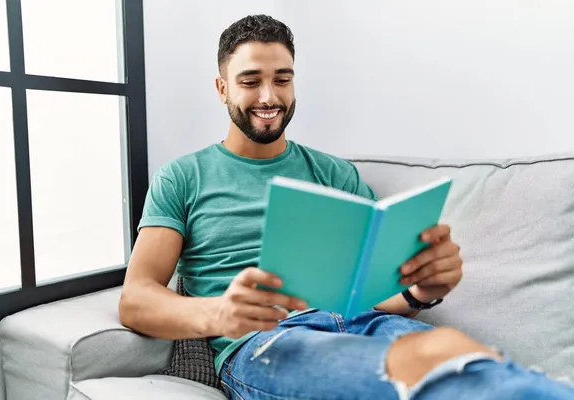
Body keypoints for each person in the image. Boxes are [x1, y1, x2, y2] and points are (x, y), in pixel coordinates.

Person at [119, 14, 574, 400]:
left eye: (282, 79)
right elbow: (136, 299)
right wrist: (217, 313)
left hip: (364, 324)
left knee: (472, 360)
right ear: (222, 88)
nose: (269, 97)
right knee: (429, 374)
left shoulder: (335, 174)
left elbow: (375, 291)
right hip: (266, 341)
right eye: (250, 81)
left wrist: (421, 292)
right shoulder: (182, 177)